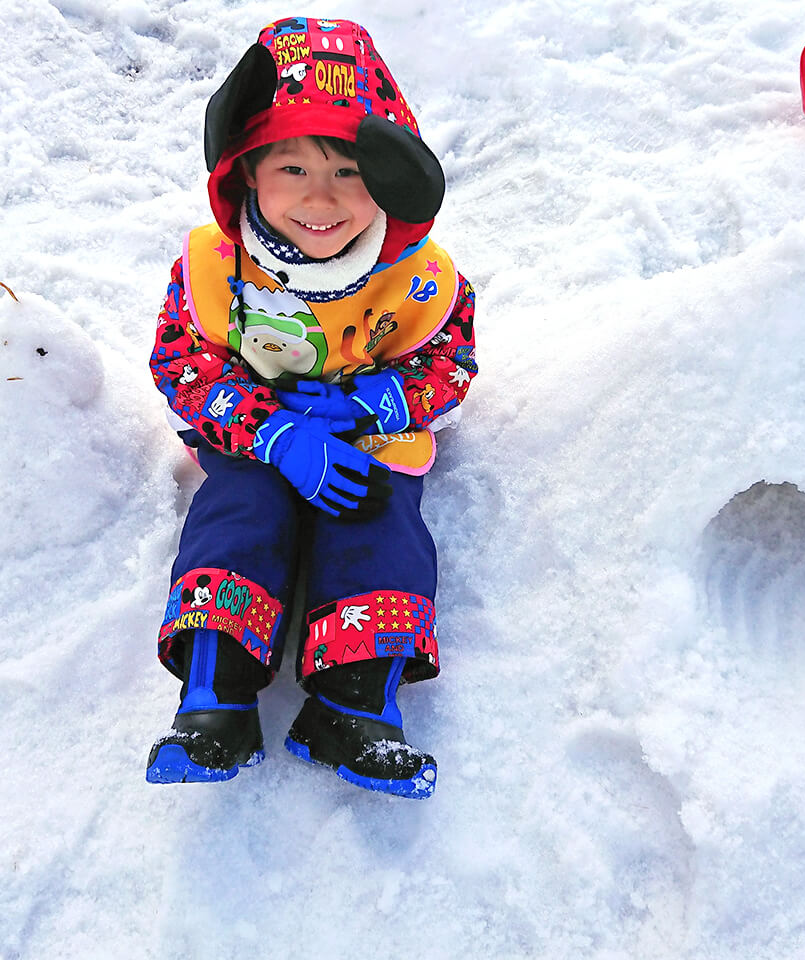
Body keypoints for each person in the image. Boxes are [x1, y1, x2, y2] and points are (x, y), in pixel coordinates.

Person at [145, 16, 476, 800]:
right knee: (238, 514)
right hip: (256, 439)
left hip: (360, 438)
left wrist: (382, 399)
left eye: (349, 171)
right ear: (247, 174)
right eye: (290, 168)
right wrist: (271, 430)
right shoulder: (215, 267)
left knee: (381, 518)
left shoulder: (418, 277)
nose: (320, 198)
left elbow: (449, 358)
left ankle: (353, 708)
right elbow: (180, 364)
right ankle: (214, 701)